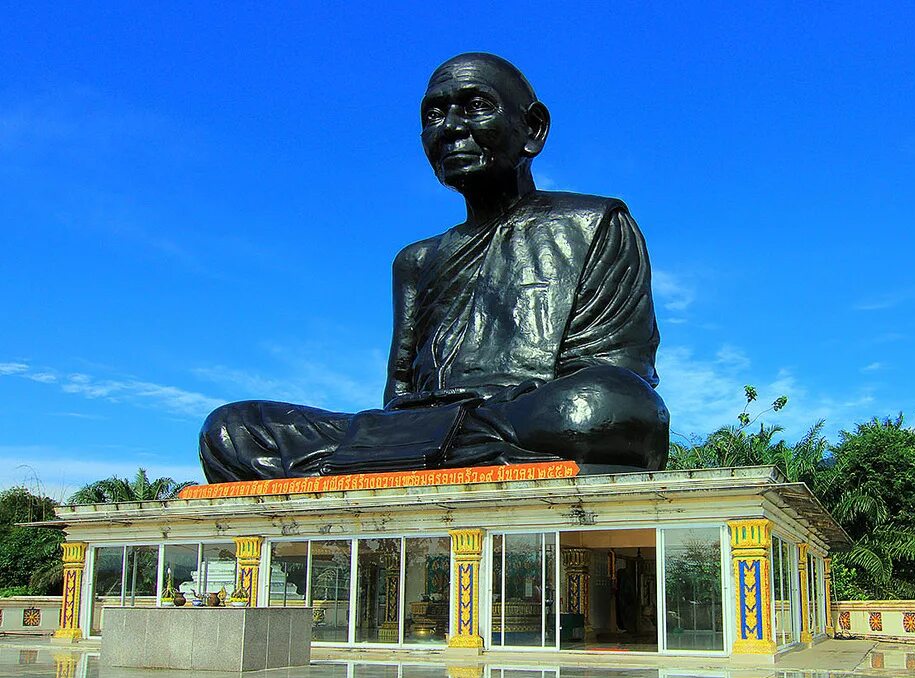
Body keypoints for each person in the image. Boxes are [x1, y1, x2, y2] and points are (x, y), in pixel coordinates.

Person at [199, 53, 669, 482]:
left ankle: (405, 454)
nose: (450, 128)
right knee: (231, 431)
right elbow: (398, 399)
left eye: (475, 106)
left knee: (604, 404)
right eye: (434, 115)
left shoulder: (593, 223)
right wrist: (418, 427)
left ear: (534, 129)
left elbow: (618, 371)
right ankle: (442, 450)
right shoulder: (416, 261)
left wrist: (463, 418)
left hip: (526, 415)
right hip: (424, 427)